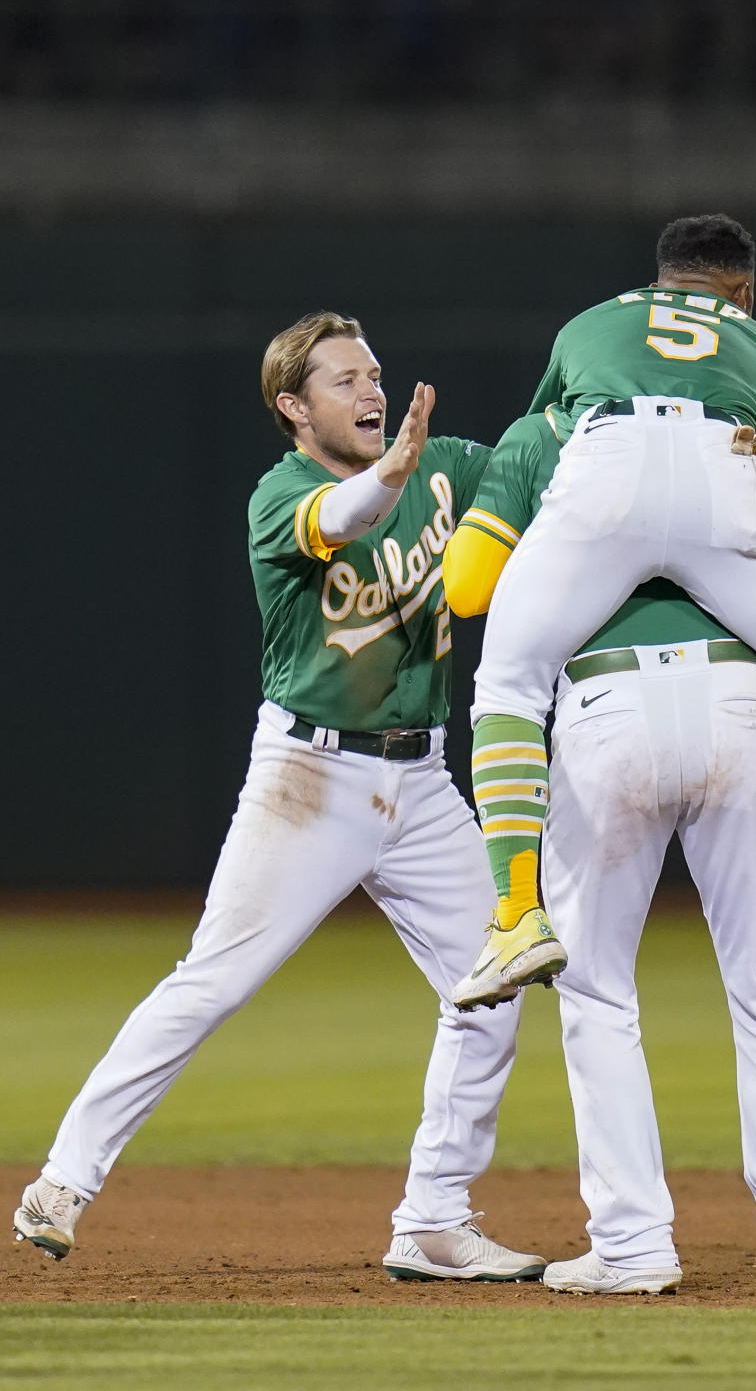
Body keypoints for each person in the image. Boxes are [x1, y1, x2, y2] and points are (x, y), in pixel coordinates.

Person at [12, 311, 544, 1286]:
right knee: (212, 980)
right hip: (314, 777)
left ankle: (432, 1220)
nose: (371, 391)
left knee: (495, 980)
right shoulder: (284, 495)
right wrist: (394, 476)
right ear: (293, 408)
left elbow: (533, 462)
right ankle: (63, 1181)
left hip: (422, 781)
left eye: (374, 371)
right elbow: (341, 523)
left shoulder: (438, 467)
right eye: (343, 380)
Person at [452, 214, 756, 1011]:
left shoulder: (589, 326)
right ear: (742, 291)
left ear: (660, 279)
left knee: (509, 685)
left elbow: (547, 440)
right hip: (728, 456)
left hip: (611, 452)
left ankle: (515, 916)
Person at [443, 408, 756, 1295]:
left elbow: (468, 586)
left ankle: (635, 1247)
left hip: (608, 706)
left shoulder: (540, 435)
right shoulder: (737, 436)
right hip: (741, 699)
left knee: (596, 989)